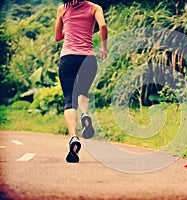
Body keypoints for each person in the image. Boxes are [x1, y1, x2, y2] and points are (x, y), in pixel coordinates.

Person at [54, 0, 107, 163]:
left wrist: (69, 32)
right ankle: (85, 115)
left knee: (69, 99)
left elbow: (57, 37)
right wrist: (104, 47)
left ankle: (73, 138)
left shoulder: (63, 8)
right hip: (88, 59)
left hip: (68, 58)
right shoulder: (94, 8)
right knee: (83, 92)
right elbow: (103, 26)